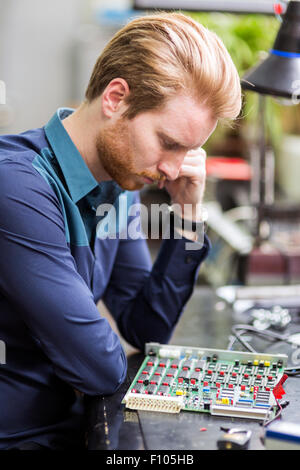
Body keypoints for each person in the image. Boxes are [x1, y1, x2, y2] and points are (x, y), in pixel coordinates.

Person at [0, 12, 241, 450]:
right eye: (169, 142)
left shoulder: (118, 184)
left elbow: (144, 328)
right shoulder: (17, 186)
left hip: (72, 426)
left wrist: (188, 215)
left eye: (188, 150)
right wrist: (98, 345)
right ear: (115, 98)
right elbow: (98, 367)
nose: (173, 168)